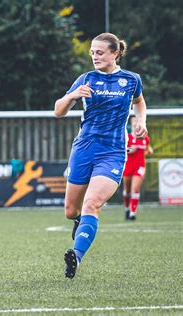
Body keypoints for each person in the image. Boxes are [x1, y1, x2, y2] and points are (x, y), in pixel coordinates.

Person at [54, 32, 148, 279]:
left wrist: (141, 120)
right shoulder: (86, 79)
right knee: (71, 210)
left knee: (92, 203)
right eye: (92, 53)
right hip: (84, 148)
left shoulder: (131, 79)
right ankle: (79, 222)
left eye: (100, 52)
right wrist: (72, 96)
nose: (94, 56)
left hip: (113, 152)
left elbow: (139, 102)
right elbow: (58, 111)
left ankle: (76, 255)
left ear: (115, 53)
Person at [122, 117, 153, 221]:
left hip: (139, 166)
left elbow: (149, 149)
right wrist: (131, 149)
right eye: (134, 124)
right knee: (127, 189)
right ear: (131, 125)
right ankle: (126, 208)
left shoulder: (145, 138)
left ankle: (132, 213)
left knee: (135, 189)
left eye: (138, 124)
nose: (136, 126)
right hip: (128, 165)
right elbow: (123, 149)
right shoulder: (127, 137)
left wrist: (149, 151)